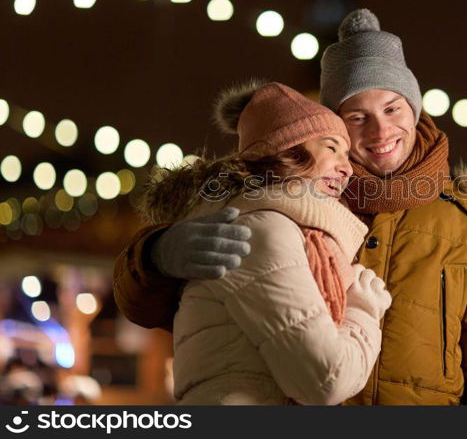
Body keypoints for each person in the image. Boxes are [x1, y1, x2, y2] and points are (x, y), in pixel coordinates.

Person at [114, 9, 467, 405]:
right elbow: (159, 310)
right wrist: (156, 255)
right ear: (332, 124)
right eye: (356, 117)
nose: (380, 130)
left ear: (415, 108)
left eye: (392, 108)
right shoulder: (289, 196)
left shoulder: (466, 220)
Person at [137, 81, 391, 405]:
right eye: (331, 147)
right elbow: (325, 380)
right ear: (287, 150)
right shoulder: (260, 230)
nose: (347, 169)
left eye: (347, 154)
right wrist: (364, 308)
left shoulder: (290, 228)